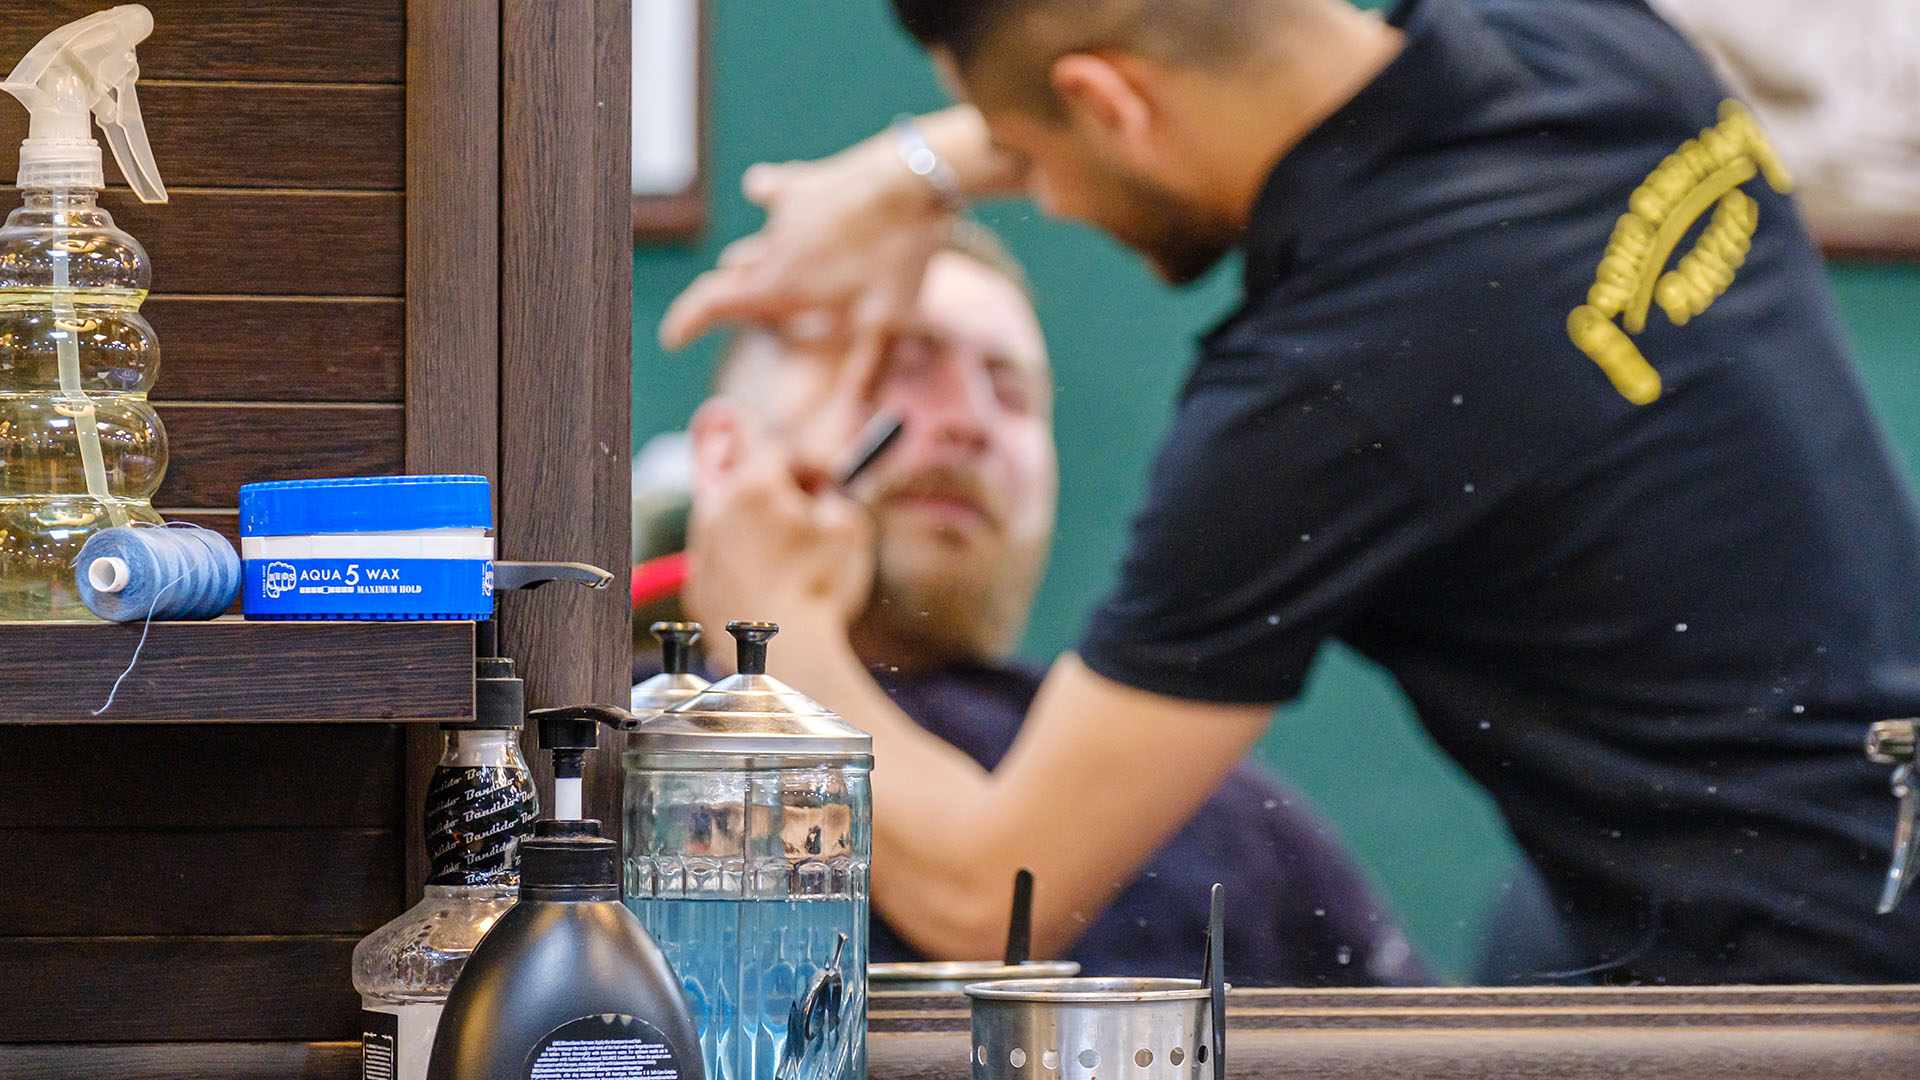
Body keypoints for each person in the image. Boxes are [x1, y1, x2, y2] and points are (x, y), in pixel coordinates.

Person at [664, 0, 1920, 983]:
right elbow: (1170, 46)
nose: (1036, 191)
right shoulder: (1602, 43)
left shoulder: (1330, 393)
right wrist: (914, 173)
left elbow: (999, 899)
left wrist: (782, 644)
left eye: (1034, 157)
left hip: (1819, 984)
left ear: (1112, 102)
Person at [670, 225, 1429, 986]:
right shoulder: (605, 757)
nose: (970, 420)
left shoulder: (1215, 820)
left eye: (1013, 392)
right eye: (901, 365)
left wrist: (779, 631)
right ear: (728, 457)